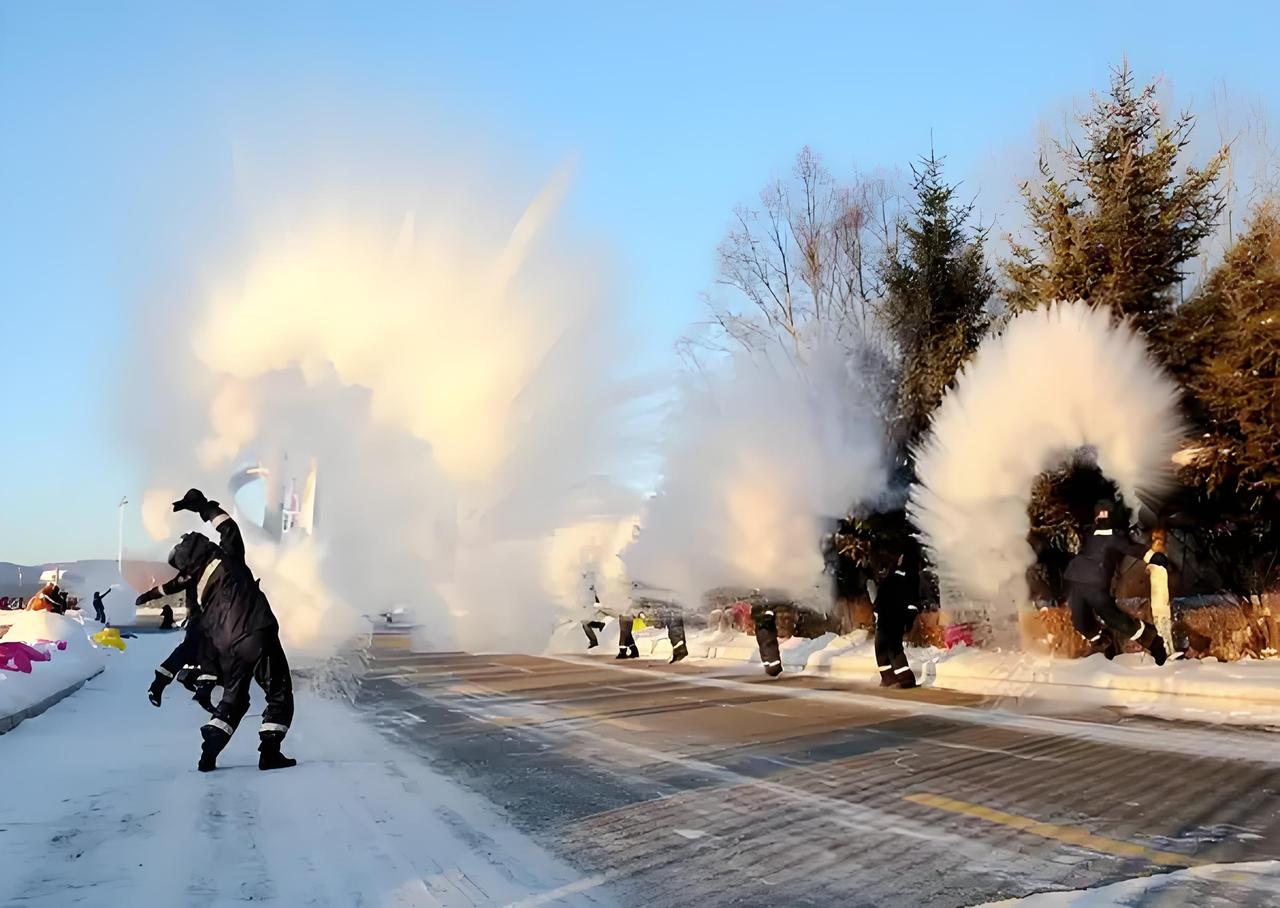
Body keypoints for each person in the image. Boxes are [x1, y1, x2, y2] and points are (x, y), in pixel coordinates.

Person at [138, 488, 296, 772]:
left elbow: (187, 621)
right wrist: (203, 506)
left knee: (234, 701)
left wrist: (150, 595)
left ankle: (208, 753)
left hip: (229, 649)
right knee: (278, 691)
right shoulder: (227, 559)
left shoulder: (197, 591)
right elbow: (228, 526)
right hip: (257, 631)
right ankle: (270, 753)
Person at [1063, 500, 1170, 665]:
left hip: (1095, 585)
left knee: (1114, 618)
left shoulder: (1115, 537)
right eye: (1099, 514)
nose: (1101, 518)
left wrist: (1153, 557)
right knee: (1080, 622)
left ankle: (1152, 640)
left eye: (1104, 514)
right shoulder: (1091, 532)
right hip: (1075, 579)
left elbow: (1132, 548)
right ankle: (1103, 642)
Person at [871, 540, 922, 689]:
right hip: (892, 618)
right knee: (888, 648)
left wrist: (878, 611)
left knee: (889, 648)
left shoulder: (904, 577)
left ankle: (903, 680)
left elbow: (910, 602)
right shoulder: (905, 576)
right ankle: (892, 679)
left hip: (890, 619)